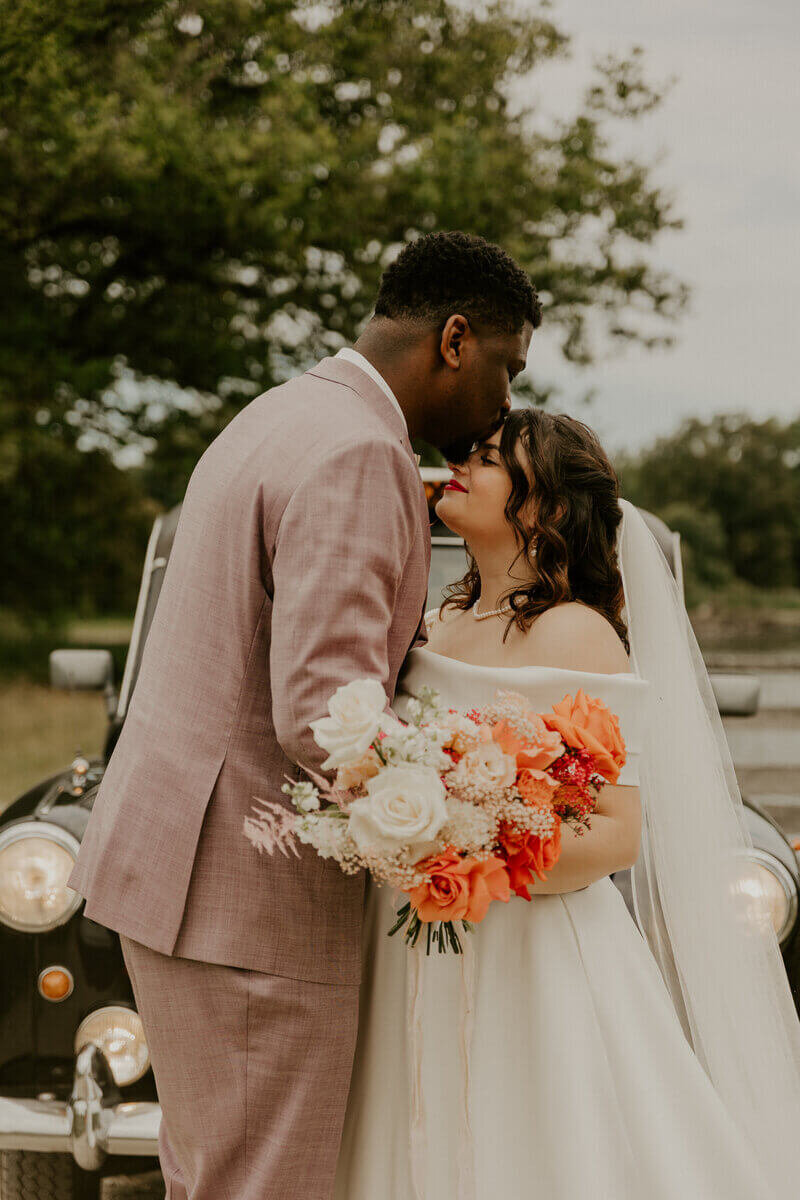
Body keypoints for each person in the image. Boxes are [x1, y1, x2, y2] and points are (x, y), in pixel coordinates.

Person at [65, 231, 540, 1199]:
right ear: (454, 339)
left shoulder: (281, 414)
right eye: (505, 368)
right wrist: (468, 817)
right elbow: (325, 713)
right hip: (249, 902)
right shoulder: (360, 454)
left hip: (181, 879)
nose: (505, 405)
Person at [333, 408, 800, 1200]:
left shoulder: (577, 633)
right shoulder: (439, 622)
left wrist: (466, 843)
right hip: (413, 942)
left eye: (487, 457)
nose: (461, 465)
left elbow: (617, 834)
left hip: (530, 952)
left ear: (543, 506)